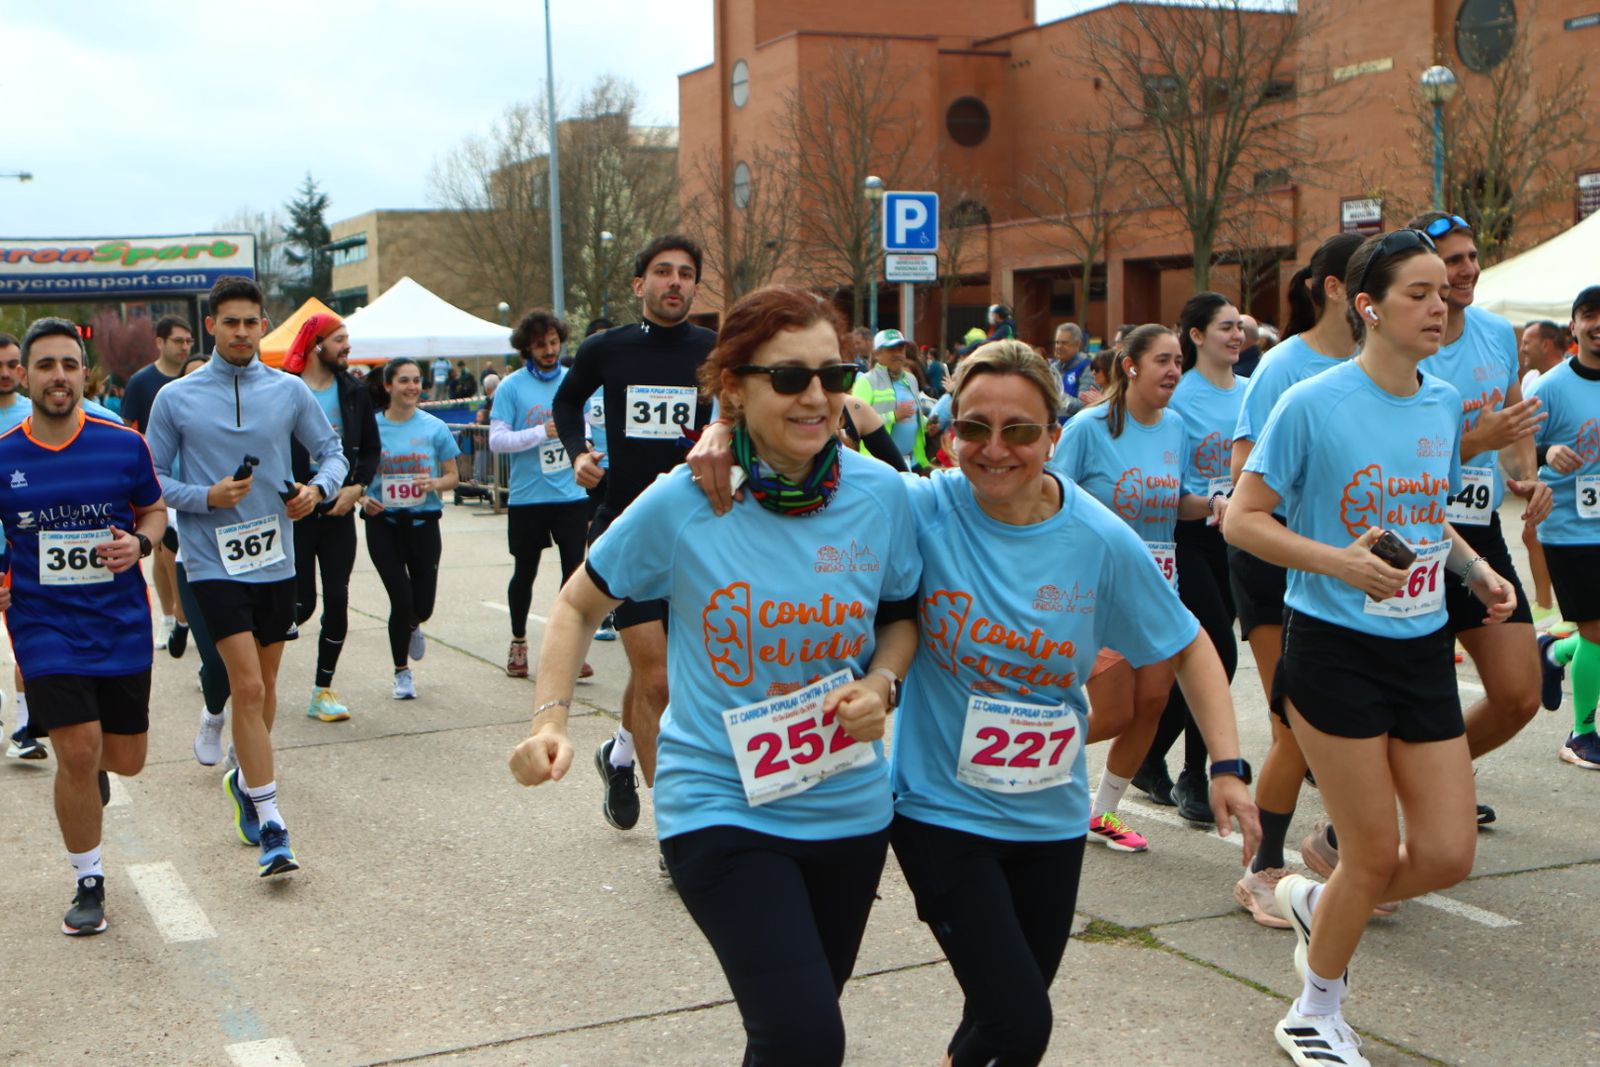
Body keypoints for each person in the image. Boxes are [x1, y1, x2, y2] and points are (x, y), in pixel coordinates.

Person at [511, 286, 919, 1067]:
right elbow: (576, 604)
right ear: (734, 386)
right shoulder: (689, 498)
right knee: (805, 1037)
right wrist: (548, 720)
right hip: (721, 802)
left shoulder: (883, 495)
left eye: (833, 376)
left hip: (849, 807)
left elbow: (901, 613)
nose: (817, 397)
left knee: (794, 1032)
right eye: (789, 377)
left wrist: (882, 684)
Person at [884, 341, 1259, 1064]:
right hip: (939, 813)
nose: (996, 449)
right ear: (950, 433)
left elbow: (1189, 646)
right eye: (974, 428)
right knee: (1020, 1022)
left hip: (1048, 819)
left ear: (1054, 436)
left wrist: (1226, 765)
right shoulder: (923, 507)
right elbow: (814, 468)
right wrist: (721, 436)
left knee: (997, 1023)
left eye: (1020, 430)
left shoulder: (1097, 536)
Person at [1226, 228, 1515, 1067]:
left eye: (1443, 293)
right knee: (1375, 849)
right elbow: (1242, 518)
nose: (1439, 306)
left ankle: (1318, 901)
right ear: (1368, 307)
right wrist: (1338, 561)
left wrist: (1476, 571)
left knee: (1448, 853)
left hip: (1421, 645)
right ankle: (1314, 1009)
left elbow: (1426, 518)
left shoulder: (1443, 401)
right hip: (1334, 648)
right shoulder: (1312, 401)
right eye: (1418, 293)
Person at [146, 276, 348, 879]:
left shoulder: (288, 390)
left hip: (275, 560)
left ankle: (244, 776)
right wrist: (204, 497)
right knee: (248, 686)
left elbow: (333, 453)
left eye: (250, 322)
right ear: (211, 327)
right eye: (229, 322)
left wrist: (317, 491)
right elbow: (150, 478)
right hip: (211, 561)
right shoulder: (176, 398)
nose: (240, 332)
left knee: (266, 684)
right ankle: (273, 822)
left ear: (264, 326)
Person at [0, 317, 166, 934]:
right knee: (75, 748)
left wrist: (140, 544)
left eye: (69, 365)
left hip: (120, 622)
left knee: (125, 759)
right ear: (25, 376)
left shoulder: (122, 443)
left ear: (83, 373)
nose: (59, 376)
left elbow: (153, 510)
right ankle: (88, 880)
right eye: (45, 365)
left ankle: (92, 767)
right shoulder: (5, 455)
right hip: (42, 624)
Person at [551, 234, 716, 834]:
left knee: (666, 677)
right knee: (659, 677)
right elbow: (567, 404)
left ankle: (619, 754)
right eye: (663, 272)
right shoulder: (607, 348)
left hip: (698, 530)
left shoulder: (713, 350)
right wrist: (578, 453)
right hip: (624, 524)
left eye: (686, 273)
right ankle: (678, 831)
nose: (675, 282)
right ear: (639, 284)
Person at [1226, 233, 1366, 927]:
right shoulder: (1284, 366)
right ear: (1338, 289)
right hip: (1275, 564)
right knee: (1294, 725)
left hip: (1349, 571)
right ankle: (1261, 868)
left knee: (1347, 723)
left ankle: (1341, 849)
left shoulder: (1380, 365)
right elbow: (1244, 476)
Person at [1392, 210, 1547, 828]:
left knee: (1519, 694)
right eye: (1453, 260)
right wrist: (1479, 440)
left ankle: (1436, 778)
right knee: (1412, 694)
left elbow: (1514, 421)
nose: (1468, 270)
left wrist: (1527, 476)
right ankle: (1410, 797)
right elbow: (1397, 456)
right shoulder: (1405, 343)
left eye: (1473, 257)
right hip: (1411, 529)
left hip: (1478, 529)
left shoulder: (1496, 333)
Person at [1048, 324, 1216, 852]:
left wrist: (1216, 505)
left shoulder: (1176, 427)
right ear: (1131, 365)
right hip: (1100, 592)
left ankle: (1102, 813)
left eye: (1179, 362)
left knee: (1153, 704)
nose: (1174, 371)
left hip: (1160, 590)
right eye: (1163, 360)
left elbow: (1178, 503)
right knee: (1115, 712)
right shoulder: (1089, 427)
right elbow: (1052, 498)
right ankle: (1018, 753)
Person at [1133, 293, 1244, 824]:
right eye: (1225, 327)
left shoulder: (1252, 392)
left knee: (1200, 661)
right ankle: (1193, 775)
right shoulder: (1179, 398)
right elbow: (1165, 480)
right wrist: (1208, 502)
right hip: (1188, 536)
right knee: (1218, 651)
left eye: (1240, 326)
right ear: (1196, 335)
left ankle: (1147, 755)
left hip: (1238, 538)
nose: (1237, 335)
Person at [283, 312, 380, 723]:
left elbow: (371, 449)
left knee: (337, 599)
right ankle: (241, 663)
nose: (347, 346)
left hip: (338, 510)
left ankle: (322, 690)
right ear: (316, 344)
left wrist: (357, 488)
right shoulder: (283, 388)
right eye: (339, 339)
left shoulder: (354, 391)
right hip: (293, 511)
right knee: (300, 604)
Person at [491, 309, 594, 682]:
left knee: (574, 575)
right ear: (527, 348)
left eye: (553, 343)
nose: (549, 351)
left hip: (571, 495)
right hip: (528, 497)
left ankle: (571, 651)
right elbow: (496, 440)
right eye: (540, 345)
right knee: (525, 571)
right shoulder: (511, 387)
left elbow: (588, 426)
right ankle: (518, 641)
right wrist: (541, 432)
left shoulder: (574, 380)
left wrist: (586, 446)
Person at [361, 358, 460, 699]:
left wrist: (434, 483)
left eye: (416, 380)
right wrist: (363, 498)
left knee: (422, 607)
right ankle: (401, 672)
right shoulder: (371, 428)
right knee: (401, 600)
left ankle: (415, 624)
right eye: (404, 380)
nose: (412, 387)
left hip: (424, 523)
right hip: (384, 524)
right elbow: (354, 477)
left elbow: (453, 476)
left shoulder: (435, 428)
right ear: (388, 385)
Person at [1532, 284, 1600, 769]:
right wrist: (1545, 451)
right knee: (1598, 630)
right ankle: (1582, 734)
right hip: (1570, 529)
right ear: (1573, 326)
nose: (1599, 324)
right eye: (1590, 314)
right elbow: (1514, 445)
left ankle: (1555, 654)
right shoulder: (1550, 387)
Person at [121, 315, 194, 655]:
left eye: (189, 341)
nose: (184, 347)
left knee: (180, 555)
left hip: (195, 477)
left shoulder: (197, 377)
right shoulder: (142, 382)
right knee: (164, 553)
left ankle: (187, 615)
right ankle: (170, 616)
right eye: (178, 340)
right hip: (156, 477)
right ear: (160, 343)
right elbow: (126, 428)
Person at [1519, 320, 1569, 612]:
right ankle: (1545, 603)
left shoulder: (1570, 377)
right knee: (1531, 534)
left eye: (1527, 341)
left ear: (1546, 344)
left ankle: (1559, 606)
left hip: (1572, 483)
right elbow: (1523, 439)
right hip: (1543, 476)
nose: (1522, 348)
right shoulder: (1530, 380)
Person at [852, 328, 930, 471]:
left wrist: (926, 423)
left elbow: (913, 415)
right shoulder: (866, 381)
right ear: (877, 354)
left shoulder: (911, 379)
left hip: (912, 463)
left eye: (901, 348)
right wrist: (893, 416)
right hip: (878, 466)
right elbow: (855, 423)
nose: (898, 354)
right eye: (891, 349)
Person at [1052, 322, 1094, 399]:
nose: (1059, 347)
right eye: (1057, 342)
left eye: (1064, 343)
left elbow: (1085, 403)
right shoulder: (1053, 368)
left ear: (1078, 344)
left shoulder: (1087, 367)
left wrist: (1055, 396)